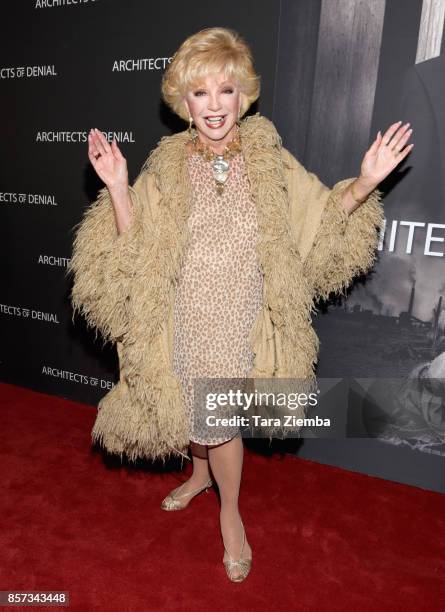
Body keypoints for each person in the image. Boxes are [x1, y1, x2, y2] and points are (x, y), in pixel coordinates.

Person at [67, 27, 413, 582]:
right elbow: (140, 250)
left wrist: (365, 183)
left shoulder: (269, 160)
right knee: (190, 410)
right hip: (184, 314)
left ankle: (230, 513)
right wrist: (118, 188)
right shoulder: (171, 164)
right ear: (183, 101)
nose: (213, 106)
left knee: (220, 419)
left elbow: (319, 220)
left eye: (225, 91)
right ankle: (199, 476)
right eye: (199, 93)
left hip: (240, 317)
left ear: (242, 96)